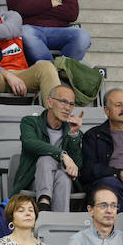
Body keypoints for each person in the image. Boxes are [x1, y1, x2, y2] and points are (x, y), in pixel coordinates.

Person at [10, 84, 83, 212]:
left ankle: (47, 208)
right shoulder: (30, 122)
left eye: (71, 104)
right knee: (46, 159)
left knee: (63, 178)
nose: (67, 108)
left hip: (64, 182)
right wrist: (62, 155)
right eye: (63, 102)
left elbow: (77, 166)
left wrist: (73, 134)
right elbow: (29, 142)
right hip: (35, 180)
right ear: (49, 102)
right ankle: (49, 209)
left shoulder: (74, 132)